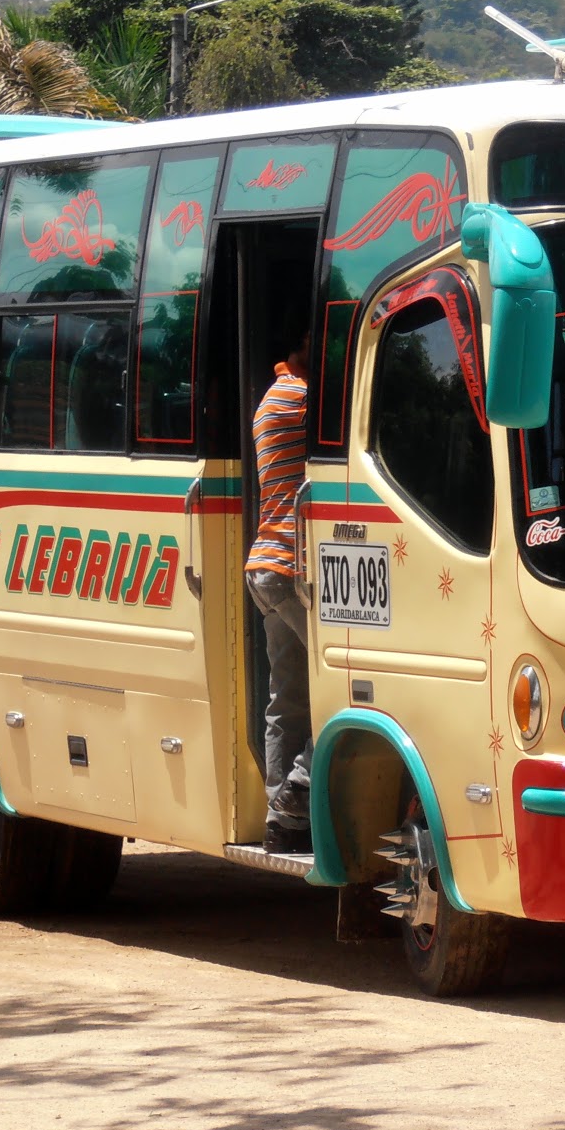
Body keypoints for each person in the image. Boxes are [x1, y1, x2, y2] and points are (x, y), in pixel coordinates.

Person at [246, 334, 312, 854]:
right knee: (351, 680)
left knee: (285, 701)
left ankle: (280, 822)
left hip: (265, 566)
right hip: (289, 568)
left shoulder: (272, 397)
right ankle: (300, 783)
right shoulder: (299, 397)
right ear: (302, 344)